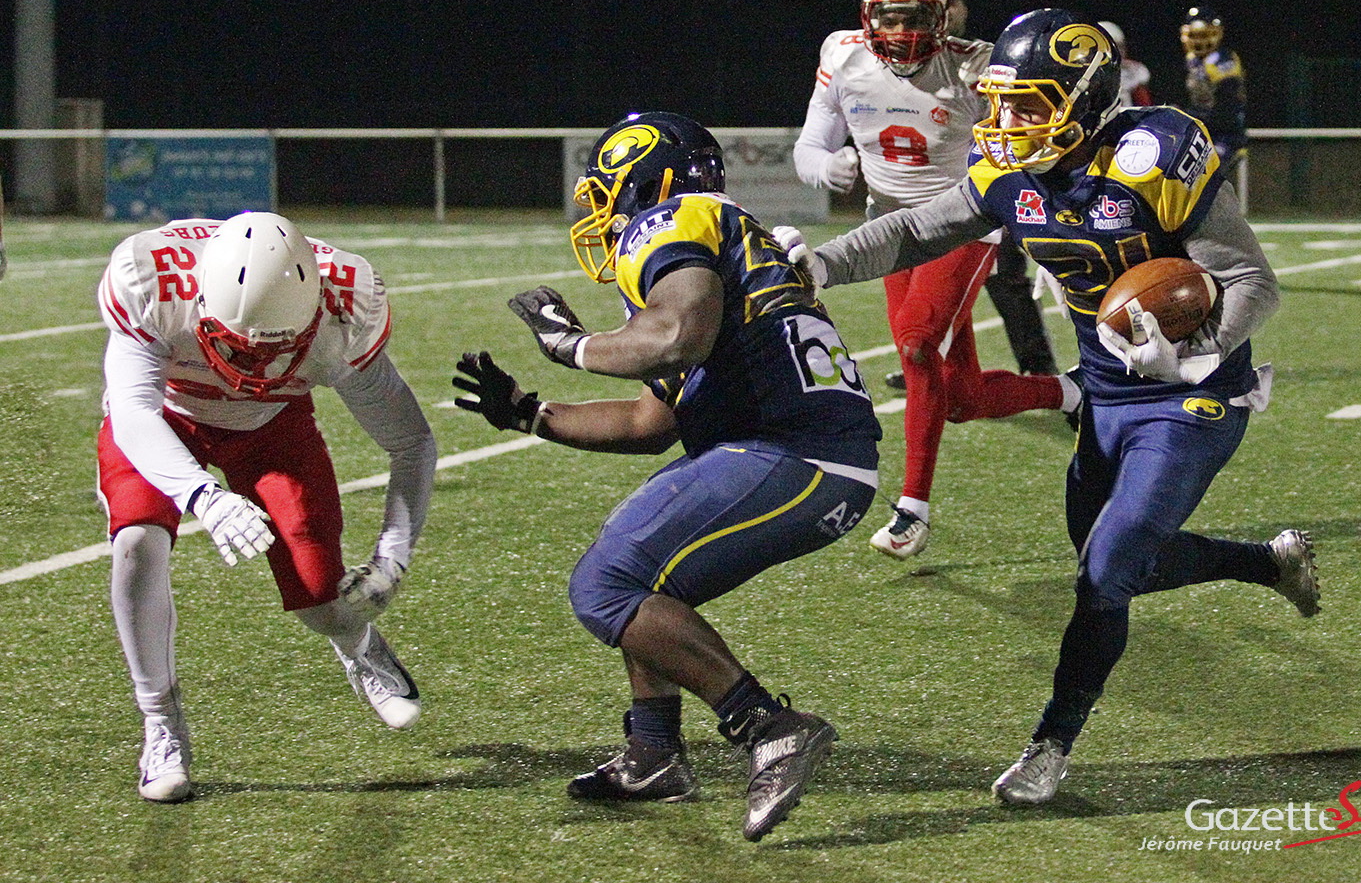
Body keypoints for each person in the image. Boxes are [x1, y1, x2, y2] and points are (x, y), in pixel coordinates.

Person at [774, 9, 1320, 806]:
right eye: (999, 102)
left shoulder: (1152, 157)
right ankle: (1266, 563)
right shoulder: (1008, 172)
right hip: (1106, 393)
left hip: (1194, 394)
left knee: (1108, 566)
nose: (1005, 122)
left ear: (1086, 99)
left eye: (1027, 104)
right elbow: (918, 230)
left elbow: (1250, 281)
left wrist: (1193, 352)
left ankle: (1050, 744)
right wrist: (819, 265)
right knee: (1121, 561)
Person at [453, 112, 880, 842]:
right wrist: (531, 414)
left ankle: (768, 727)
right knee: (632, 561)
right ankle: (653, 753)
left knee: (605, 586)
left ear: (650, 181)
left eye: (607, 194)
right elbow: (650, 423)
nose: (602, 215)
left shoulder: (680, 218)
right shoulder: (722, 249)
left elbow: (674, 337)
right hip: (800, 451)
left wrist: (571, 344)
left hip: (795, 451)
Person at [97, 211, 436, 802]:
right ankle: (160, 722)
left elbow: (411, 442)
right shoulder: (150, 279)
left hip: (271, 424)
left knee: (320, 593)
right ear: (201, 302)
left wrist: (393, 556)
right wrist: (203, 496)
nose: (252, 364)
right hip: (168, 416)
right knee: (137, 542)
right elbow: (132, 412)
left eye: (277, 348)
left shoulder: (345, 308)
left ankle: (358, 644)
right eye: (238, 345)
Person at [793, 0, 1076, 561]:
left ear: (943, 16)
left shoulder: (977, 67)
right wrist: (824, 166)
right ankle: (1068, 392)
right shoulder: (842, 55)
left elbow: (1031, 149)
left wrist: (1048, 234)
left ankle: (912, 510)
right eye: (890, 19)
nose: (901, 33)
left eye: (916, 18)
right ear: (868, 17)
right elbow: (810, 143)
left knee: (918, 344)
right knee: (962, 398)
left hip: (961, 224)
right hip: (889, 230)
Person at [950, 0, 1061, 379]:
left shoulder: (983, 59)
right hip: (937, 192)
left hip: (995, 183)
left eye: (953, 1)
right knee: (943, 286)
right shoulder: (900, 69)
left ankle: (1039, 367)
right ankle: (936, 364)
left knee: (1006, 279)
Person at [1180, 6, 1247, 167]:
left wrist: (1191, 116)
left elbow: (1226, 109)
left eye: (1203, 35)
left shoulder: (1223, 61)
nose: (1198, 41)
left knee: (1207, 174)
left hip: (1225, 135)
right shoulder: (1192, 60)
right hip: (1204, 131)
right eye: (1194, 35)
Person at [1099, 20, 1153, 109]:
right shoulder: (1087, 73)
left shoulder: (1133, 70)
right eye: (1112, 48)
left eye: (1120, 46)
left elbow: (1145, 107)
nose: (1118, 52)